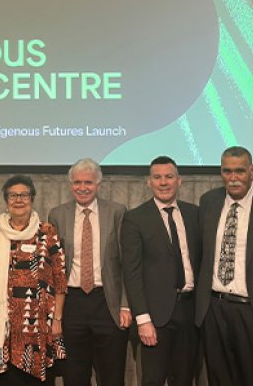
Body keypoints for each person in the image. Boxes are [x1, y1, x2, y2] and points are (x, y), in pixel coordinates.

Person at [48, 158, 132, 386]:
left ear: (98, 184)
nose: (82, 187)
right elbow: (53, 267)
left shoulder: (117, 212)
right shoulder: (57, 214)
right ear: (70, 185)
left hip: (108, 303)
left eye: (88, 182)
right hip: (72, 303)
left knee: (112, 375)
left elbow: (128, 263)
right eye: (77, 182)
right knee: (74, 375)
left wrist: (126, 305)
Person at [0, 175, 66, 386]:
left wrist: (57, 319)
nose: (18, 200)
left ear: (32, 198)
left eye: (24, 195)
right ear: (6, 200)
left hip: (37, 325)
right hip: (5, 325)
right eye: (13, 195)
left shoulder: (46, 232)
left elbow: (60, 277)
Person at [121, 156, 200, 386]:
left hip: (190, 313)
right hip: (155, 318)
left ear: (179, 181)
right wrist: (143, 320)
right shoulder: (135, 218)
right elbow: (132, 273)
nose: (163, 182)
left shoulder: (195, 214)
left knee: (185, 378)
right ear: (149, 182)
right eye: (157, 177)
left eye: (169, 177)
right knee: (153, 380)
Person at [195, 146, 253, 385]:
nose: (233, 177)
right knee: (219, 378)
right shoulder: (209, 201)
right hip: (214, 308)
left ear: (251, 171)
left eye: (239, 171)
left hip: (248, 309)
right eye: (227, 171)